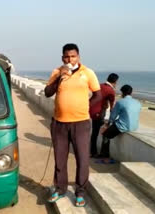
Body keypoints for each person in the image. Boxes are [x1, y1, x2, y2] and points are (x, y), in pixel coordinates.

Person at [44, 43, 101, 206]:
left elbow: (98, 95)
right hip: (59, 124)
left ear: (78, 57)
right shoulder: (57, 71)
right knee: (60, 159)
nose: (70, 59)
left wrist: (85, 107)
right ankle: (60, 189)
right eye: (67, 56)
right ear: (63, 57)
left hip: (81, 124)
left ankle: (80, 192)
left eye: (73, 56)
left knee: (82, 159)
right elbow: (48, 93)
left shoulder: (88, 73)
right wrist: (59, 77)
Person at [98, 84, 141, 163]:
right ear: (131, 93)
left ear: (123, 93)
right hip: (134, 126)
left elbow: (113, 116)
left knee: (106, 135)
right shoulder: (137, 102)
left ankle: (104, 155)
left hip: (123, 126)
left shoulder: (121, 102)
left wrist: (107, 125)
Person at [89, 73, 119, 158]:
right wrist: (111, 119)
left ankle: (92, 151)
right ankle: (96, 152)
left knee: (94, 132)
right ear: (115, 82)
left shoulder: (99, 85)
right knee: (102, 131)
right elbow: (112, 107)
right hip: (99, 112)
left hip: (91, 110)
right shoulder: (111, 91)